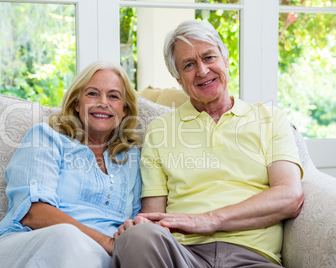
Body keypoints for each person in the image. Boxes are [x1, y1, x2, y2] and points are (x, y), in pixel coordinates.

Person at [112, 20, 304, 268]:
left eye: (209, 57)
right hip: (183, 255)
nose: (202, 71)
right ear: (178, 79)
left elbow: (290, 196)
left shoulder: (269, 119)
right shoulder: (159, 130)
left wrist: (210, 220)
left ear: (225, 60)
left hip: (252, 256)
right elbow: (154, 214)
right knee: (137, 237)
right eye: (189, 65)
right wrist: (137, 228)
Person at [0, 61, 142, 268]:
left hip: (101, 258)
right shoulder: (46, 138)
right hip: (32, 246)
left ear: (124, 110)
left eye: (113, 96)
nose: (103, 102)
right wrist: (108, 242)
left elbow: (137, 222)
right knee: (66, 236)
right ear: (76, 104)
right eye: (92, 94)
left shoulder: (131, 158)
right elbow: (34, 213)